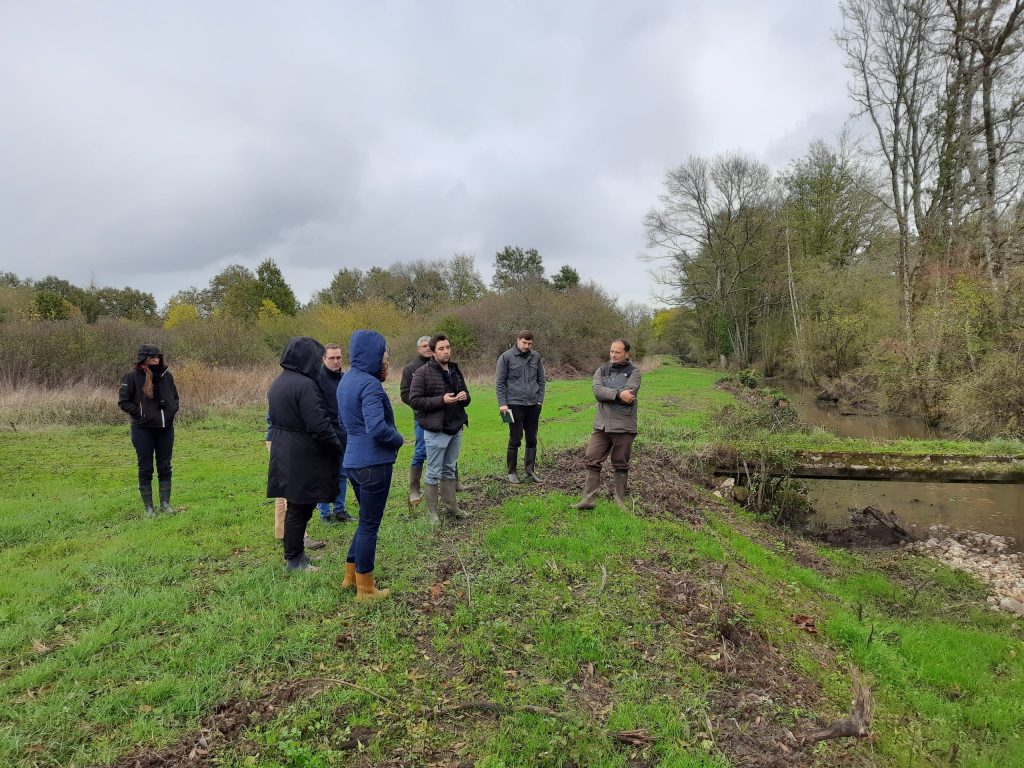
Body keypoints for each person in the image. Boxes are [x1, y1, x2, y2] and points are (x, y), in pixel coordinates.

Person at [337, 330, 404, 600]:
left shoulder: (346, 380)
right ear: (373, 355)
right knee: (369, 526)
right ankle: (365, 589)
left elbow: (343, 423)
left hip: (353, 461)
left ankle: (350, 576)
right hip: (374, 464)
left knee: (365, 520)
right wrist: (398, 439)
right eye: (384, 355)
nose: (386, 360)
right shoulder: (370, 385)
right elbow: (376, 427)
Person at [267, 337, 342, 572]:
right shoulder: (305, 384)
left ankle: (297, 554)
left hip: (284, 446)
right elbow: (318, 423)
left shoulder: (280, 381)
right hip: (301, 451)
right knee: (300, 507)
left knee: (296, 506)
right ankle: (294, 559)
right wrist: (336, 445)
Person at [409, 334, 471, 525]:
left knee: (449, 469)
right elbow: (415, 400)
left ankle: (452, 507)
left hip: (456, 426)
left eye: (448, 347)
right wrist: (441, 400)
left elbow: (467, 397)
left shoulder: (454, 369)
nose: (446, 352)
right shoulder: (423, 372)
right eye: (441, 349)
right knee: (433, 471)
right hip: (436, 429)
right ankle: (433, 513)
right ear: (433, 352)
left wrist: (465, 397)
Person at [573, 339, 641, 511]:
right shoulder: (601, 370)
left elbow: (629, 395)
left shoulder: (634, 372)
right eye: (611, 351)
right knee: (592, 457)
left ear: (626, 354)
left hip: (624, 425)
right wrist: (618, 394)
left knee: (620, 463)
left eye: (617, 352)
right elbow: (597, 392)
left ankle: (620, 502)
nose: (613, 355)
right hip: (601, 425)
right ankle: (588, 500)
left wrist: (610, 394)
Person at [119, 344, 180, 518]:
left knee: (165, 466)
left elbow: (175, 397)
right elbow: (123, 401)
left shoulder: (167, 375)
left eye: (158, 356)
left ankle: (165, 504)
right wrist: (142, 413)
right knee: (145, 468)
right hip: (142, 429)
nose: (156, 359)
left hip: (165, 429)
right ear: (143, 358)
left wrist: (172, 410)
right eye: (152, 357)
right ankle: (149, 508)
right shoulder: (131, 376)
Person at [495, 330, 546, 483]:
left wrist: (540, 401)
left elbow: (541, 380)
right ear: (518, 340)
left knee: (532, 439)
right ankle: (512, 472)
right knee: (515, 438)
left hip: (533, 405)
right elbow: (499, 383)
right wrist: (502, 404)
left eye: (530, 344)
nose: (526, 346)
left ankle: (530, 471)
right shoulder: (506, 357)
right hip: (513, 405)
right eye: (524, 342)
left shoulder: (536, 357)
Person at [316, 343, 353, 524]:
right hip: (325, 433)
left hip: (344, 433)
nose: (336, 361)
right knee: (325, 474)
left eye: (339, 357)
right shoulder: (317, 380)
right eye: (332, 358)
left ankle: (340, 510)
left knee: (342, 473)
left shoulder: (345, 379)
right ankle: (324, 512)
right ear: (324, 359)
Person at [399, 335, 433, 506]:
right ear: (418, 349)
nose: (427, 348)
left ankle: (453, 483)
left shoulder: (440, 364)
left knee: (447, 448)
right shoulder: (410, 368)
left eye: (429, 345)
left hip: (442, 416)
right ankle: (414, 489)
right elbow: (405, 394)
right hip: (421, 416)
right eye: (424, 346)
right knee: (420, 451)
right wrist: (419, 405)